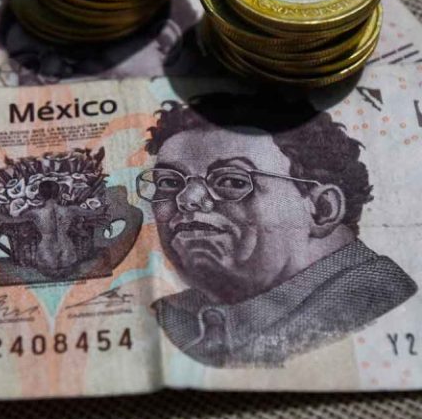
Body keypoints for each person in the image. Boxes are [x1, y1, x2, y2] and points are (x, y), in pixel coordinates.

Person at [137, 95, 417, 367]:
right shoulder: (174, 318)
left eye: (232, 181)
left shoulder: (380, 306)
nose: (187, 199)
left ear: (323, 209)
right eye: (168, 182)